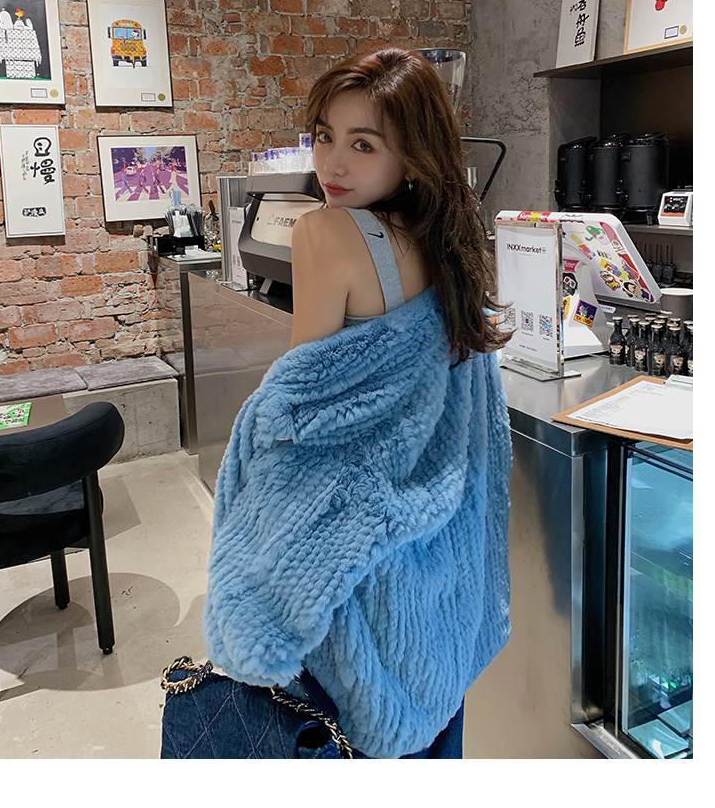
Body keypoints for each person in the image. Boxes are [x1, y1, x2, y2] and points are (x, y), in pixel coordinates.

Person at [203, 47, 513, 759]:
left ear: (412, 157)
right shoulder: (452, 244)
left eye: (363, 144)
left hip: (361, 580)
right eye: (324, 136)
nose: (332, 163)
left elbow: (302, 419)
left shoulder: (324, 232)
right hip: (437, 582)